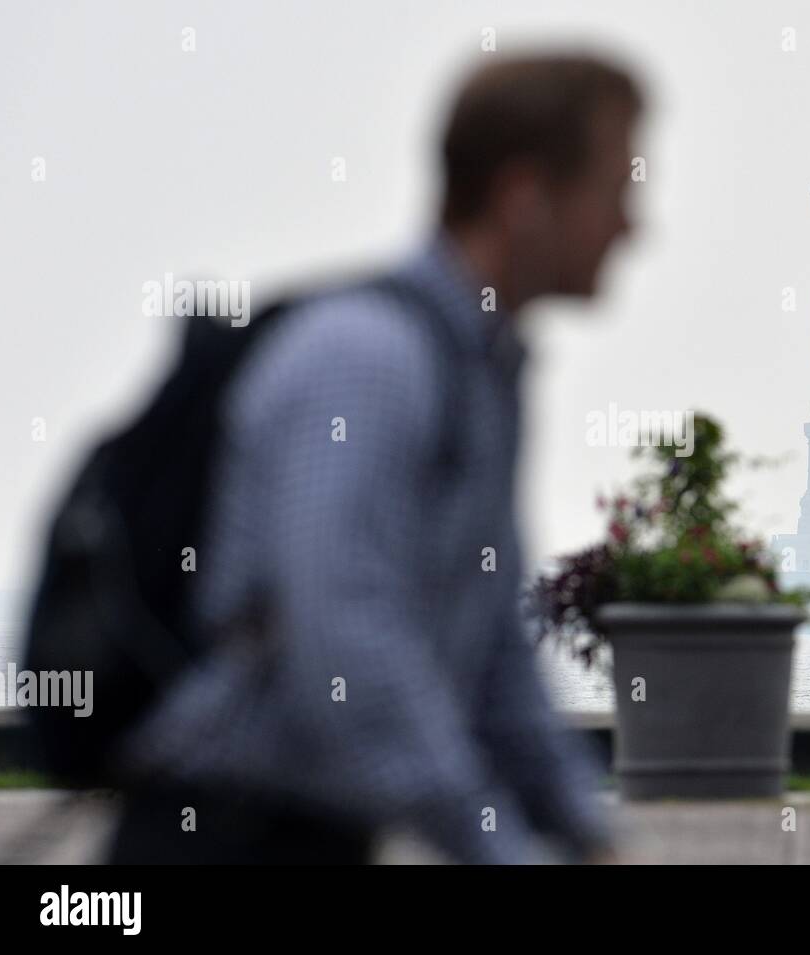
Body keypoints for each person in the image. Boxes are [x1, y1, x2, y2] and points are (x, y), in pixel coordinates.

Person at [107, 51, 644, 864]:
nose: (632, 225)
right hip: (218, 834)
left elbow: (494, 648)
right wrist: (493, 844)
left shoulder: (481, 376)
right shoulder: (371, 359)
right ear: (525, 196)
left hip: (318, 837)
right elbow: (348, 635)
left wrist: (587, 828)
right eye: (616, 188)